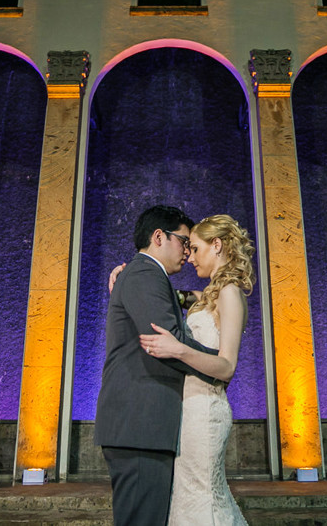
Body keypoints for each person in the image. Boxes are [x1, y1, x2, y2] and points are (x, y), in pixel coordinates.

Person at [94, 205, 222, 526]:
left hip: (144, 427)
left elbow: (171, 306)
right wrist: (219, 364)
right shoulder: (143, 273)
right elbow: (170, 340)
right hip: (140, 425)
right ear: (158, 237)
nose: (187, 253)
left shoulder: (146, 276)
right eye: (183, 242)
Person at [138, 214, 253, 526]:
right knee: (189, 496)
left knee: (202, 496)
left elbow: (227, 366)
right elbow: (182, 298)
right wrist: (135, 275)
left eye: (197, 249)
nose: (190, 258)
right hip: (189, 412)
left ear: (217, 245)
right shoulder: (212, 295)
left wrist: (179, 349)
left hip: (205, 412)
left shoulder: (229, 293)